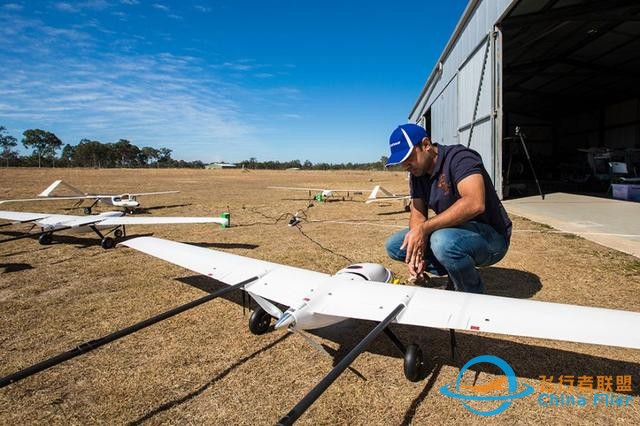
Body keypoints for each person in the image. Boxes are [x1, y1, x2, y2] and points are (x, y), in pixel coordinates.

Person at [384, 123, 511, 294]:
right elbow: (418, 214)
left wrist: (424, 229)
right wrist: (418, 251)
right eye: (401, 162)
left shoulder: (460, 157)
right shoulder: (417, 174)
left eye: (409, 157)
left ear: (426, 145)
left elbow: (475, 202)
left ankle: (472, 296)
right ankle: (455, 271)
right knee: (396, 245)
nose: (406, 165)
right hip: (453, 232)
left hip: (491, 237)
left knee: (442, 240)